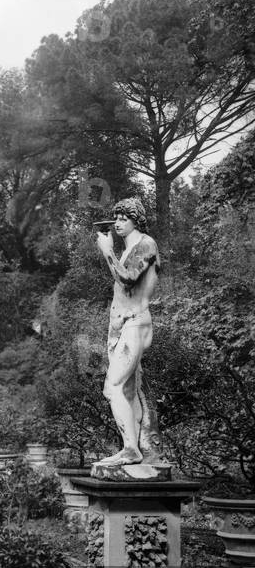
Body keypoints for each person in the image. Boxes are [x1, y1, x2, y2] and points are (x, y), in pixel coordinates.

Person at [95, 197, 164, 467]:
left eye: (124, 217)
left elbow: (127, 278)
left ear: (137, 220)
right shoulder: (128, 250)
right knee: (127, 391)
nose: (118, 222)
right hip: (121, 327)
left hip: (135, 324)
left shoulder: (146, 244)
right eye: (117, 217)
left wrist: (106, 251)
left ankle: (131, 450)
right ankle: (139, 449)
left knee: (112, 387)